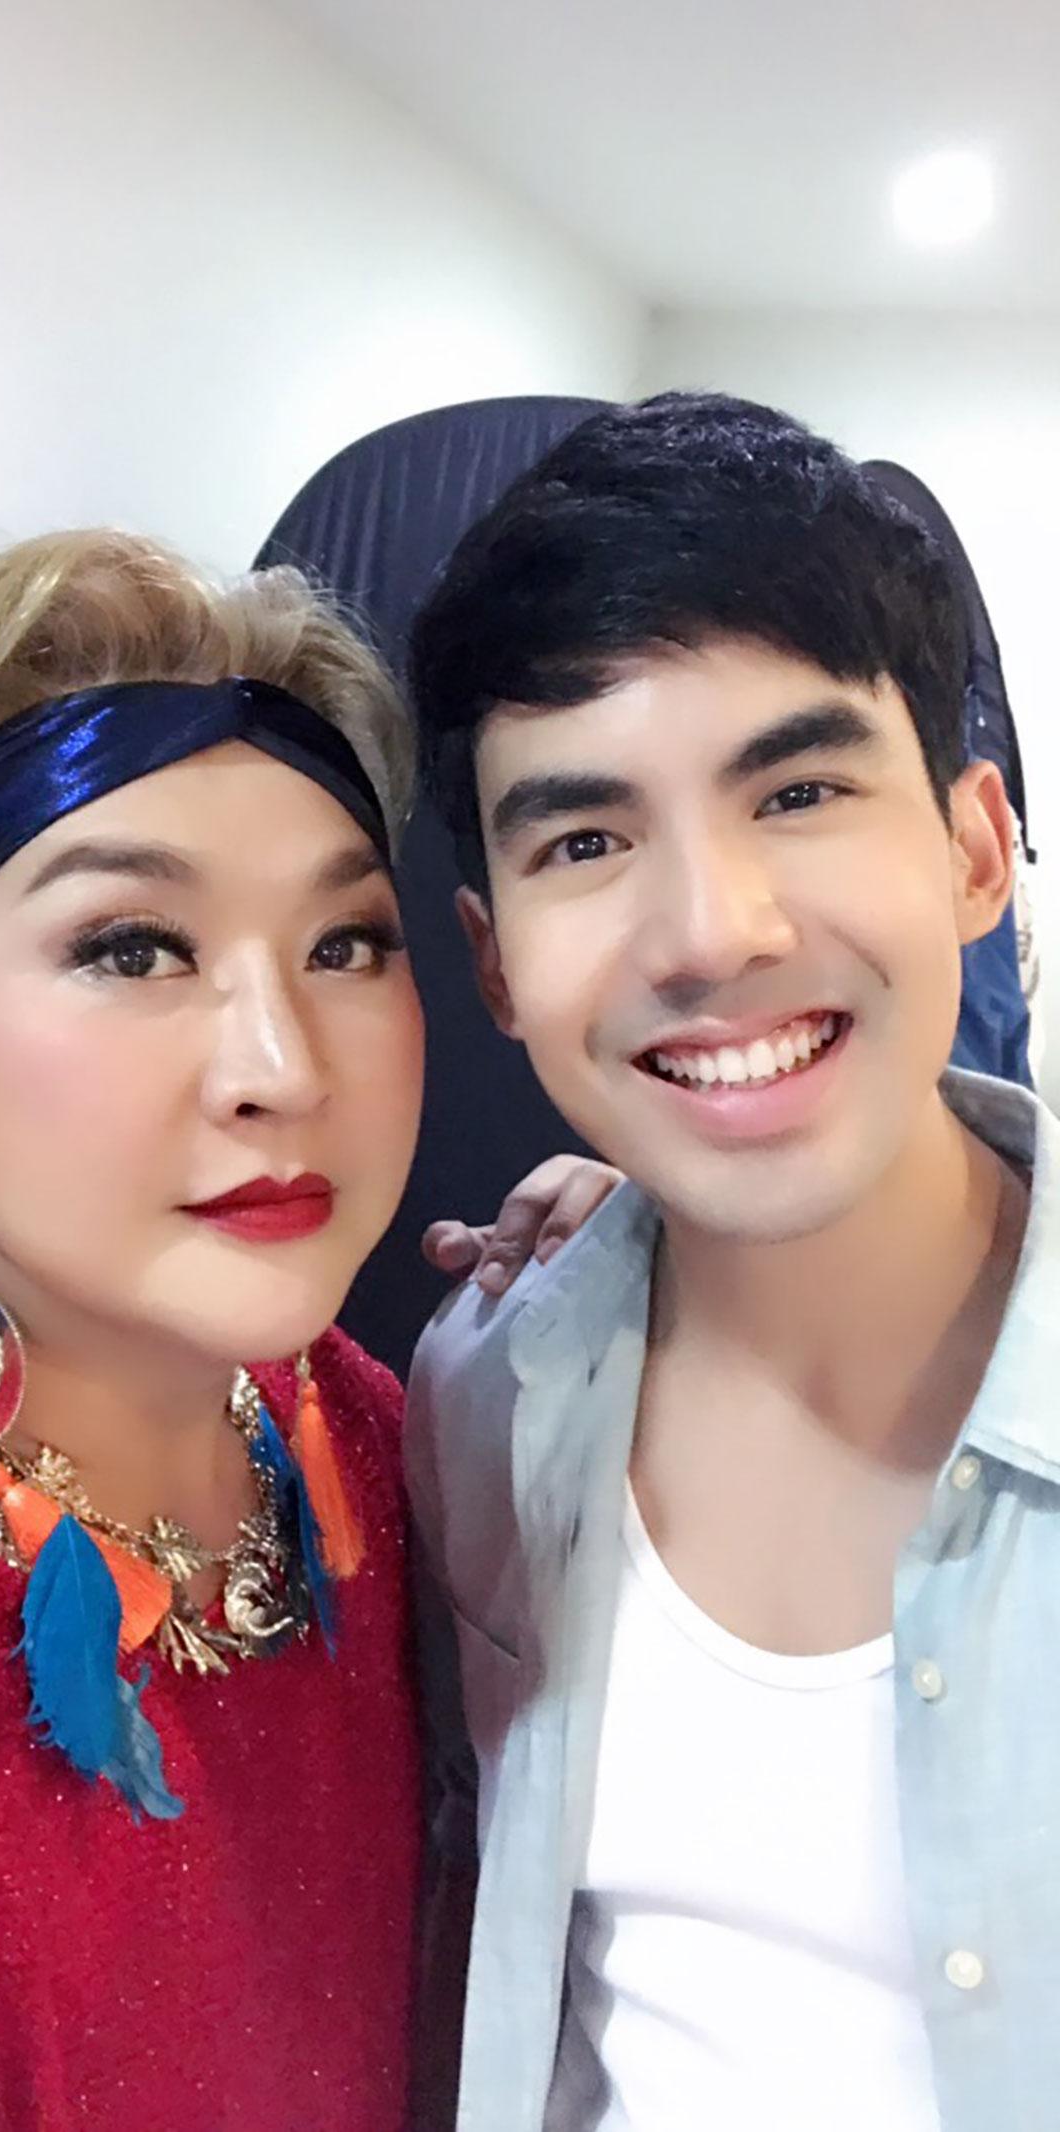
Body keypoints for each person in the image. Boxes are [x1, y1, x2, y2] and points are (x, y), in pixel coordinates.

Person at [0, 528, 604, 2132]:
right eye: (132, 949)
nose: (280, 1067)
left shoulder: (348, 1432)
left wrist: (677, 1296)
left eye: (344, 945)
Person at [405, 392, 1053, 2132]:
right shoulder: (481, 1398)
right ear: (494, 963)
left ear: (975, 849)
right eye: (585, 843)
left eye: (802, 790)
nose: (711, 934)